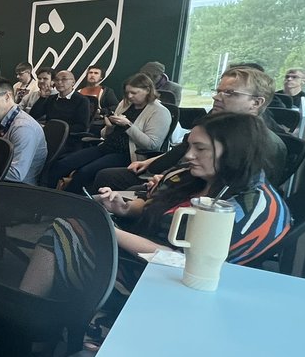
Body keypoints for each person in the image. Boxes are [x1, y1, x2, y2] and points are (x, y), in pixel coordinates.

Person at [94, 112, 291, 287]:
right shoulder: (193, 177)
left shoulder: (247, 209)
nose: (189, 155)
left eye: (200, 148)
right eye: (189, 146)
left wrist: (110, 232)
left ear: (234, 152)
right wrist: (125, 209)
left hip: (156, 281)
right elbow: (154, 206)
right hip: (128, 253)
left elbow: (179, 261)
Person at [92, 66, 288, 192]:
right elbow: (182, 151)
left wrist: (168, 182)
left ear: (256, 102)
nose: (216, 97)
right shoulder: (213, 123)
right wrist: (158, 167)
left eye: (229, 93)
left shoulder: (264, 145)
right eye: (218, 91)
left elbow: (229, 194)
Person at [43, 73, 170, 194]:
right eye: (127, 93)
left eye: (134, 93)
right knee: (63, 163)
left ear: (148, 90)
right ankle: (46, 194)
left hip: (128, 154)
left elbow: (152, 145)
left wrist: (128, 125)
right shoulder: (126, 104)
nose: (130, 96)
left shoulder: (159, 112)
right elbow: (105, 134)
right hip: (107, 146)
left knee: (85, 172)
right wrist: (109, 127)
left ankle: (70, 202)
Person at [0, 78, 47, 185]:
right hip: (0, 180)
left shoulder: (23, 128)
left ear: (7, 96)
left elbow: (17, 174)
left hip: (19, 188)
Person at [43, 70, 92, 138]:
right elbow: (34, 115)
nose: (59, 82)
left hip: (68, 137)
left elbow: (82, 126)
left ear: (73, 82)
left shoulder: (82, 100)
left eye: (64, 79)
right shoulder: (51, 98)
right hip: (48, 134)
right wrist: (42, 98)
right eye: (57, 80)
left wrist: (58, 130)